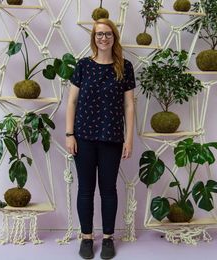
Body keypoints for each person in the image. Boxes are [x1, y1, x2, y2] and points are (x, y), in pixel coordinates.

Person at [65, 18, 135, 259]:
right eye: (98, 34)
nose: (103, 38)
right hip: (83, 137)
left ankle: (107, 239)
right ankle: (86, 238)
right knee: (85, 190)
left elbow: (129, 106)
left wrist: (129, 139)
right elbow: (72, 101)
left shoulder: (125, 67)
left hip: (112, 138)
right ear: (93, 39)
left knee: (108, 190)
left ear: (114, 37)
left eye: (107, 34)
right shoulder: (83, 65)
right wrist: (69, 134)